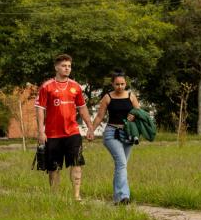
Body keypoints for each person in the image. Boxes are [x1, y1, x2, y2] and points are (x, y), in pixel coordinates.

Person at [35, 54, 94, 201]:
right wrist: (41, 131)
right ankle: (55, 197)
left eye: (69, 66)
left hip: (72, 132)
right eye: (63, 66)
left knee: (77, 163)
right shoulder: (46, 86)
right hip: (52, 134)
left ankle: (76, 196)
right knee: (54, 167)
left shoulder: (76, 87)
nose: (67, 68)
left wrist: (90, 127)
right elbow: (40, 109)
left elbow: (82, 108)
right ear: (56, 67)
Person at [92, 70, 140, 205]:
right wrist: (91, 130)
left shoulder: (131, 96)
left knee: (121, 166)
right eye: (117, 84)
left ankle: (117, 197)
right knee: (122, 163)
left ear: (126, 83)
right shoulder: (107, 97)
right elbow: (100, 116)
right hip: (111, 133)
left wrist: (134, 116)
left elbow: (140, 113)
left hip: (128, 133)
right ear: (112, 84)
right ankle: (123, 197)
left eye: (122, 84)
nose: (120, 87)